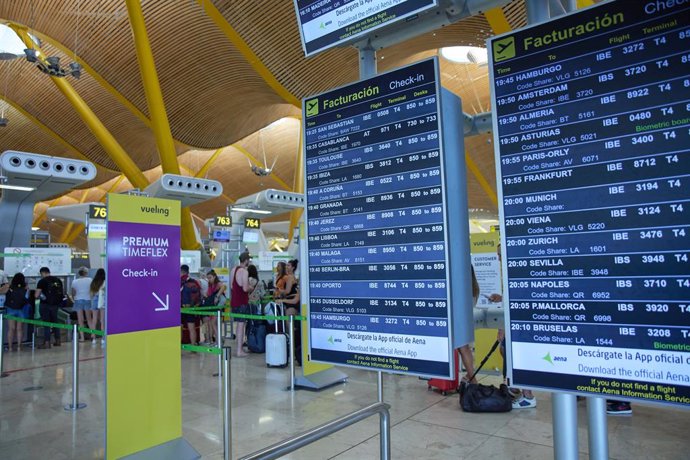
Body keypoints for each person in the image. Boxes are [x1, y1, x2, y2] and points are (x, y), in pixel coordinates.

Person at [488, 243, 536, 409]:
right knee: (507, 352)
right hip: (520, 321)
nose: (499, 258)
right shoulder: (514, 272)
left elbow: (513, 302)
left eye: (500, 254)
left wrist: (502, 327)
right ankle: (516, 386)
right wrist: (501, 298)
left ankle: (528, 395)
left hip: (517, 323)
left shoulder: (512, 273)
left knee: (515, 356)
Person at [459, 266, 480, 383]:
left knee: (463, 349)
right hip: (466, 322)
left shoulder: (462, 287)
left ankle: (472, 378)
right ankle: (470, 375)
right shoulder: (473, 287)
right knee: (465, 349)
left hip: (460, 322)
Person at [34, 267, 65, 348]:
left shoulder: (42, 281)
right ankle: (58, 340)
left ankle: (47, 343)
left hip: (45, 305)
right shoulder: (58, 280)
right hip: (56, 305)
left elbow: (37, 295)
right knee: (55, 322)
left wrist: (37, 296)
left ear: (42, 273)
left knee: (46, 323)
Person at [230, 252, 251, 357]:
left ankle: (239, 349)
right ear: (246, 260)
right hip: (242, 301)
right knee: (241, 326)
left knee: (238, 325)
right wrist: (251, 287)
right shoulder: (244, 271)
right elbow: (245, 288)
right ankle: (239, 350)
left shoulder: (233, 270)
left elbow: (232, 286)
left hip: (234, 301)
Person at [4, 273, 29, 351]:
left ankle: (10, 347)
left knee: (11, 329)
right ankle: (19, 347)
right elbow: (27, 298)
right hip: (21, 310)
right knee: (20, 329)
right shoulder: (26, 288)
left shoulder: (9, 287)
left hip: (11, 309)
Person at [203, 269, 226, 344]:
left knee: (213, 323)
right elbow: (208, 294)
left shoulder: (218, 284)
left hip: (218, 306)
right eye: (208, 278)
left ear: (214, 277)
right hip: (214, 307)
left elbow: (223, 287)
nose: (209, 279)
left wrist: (217, 296)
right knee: (213, 324)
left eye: (210, 277)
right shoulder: (210, 286)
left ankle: (218, 341)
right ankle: (218, 340)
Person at [180, 265, 202, 346]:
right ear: (188, 272)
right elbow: (199, 295)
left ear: (181, 271)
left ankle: (179, 347)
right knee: (192, 328)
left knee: (180, 328)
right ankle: (193, 347)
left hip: (181, 308)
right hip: (192, 308)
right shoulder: (194, 282)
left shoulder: (179, 281)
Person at [71, 267, 93, 342]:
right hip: (88, 299)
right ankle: (92, 335)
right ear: (86, 273)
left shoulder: (74, 281)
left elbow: (73, 293)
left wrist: (75, 297)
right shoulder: (90, 280)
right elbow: (92, 291)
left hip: (78, 300)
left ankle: (82, 338)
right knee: (89, 319)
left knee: (80, 320)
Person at [90, 268, 106, 345]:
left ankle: (93, 338)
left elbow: (91, 293)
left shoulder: (93, 282)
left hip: (94, 300)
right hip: (102, 300)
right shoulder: (104, 282)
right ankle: (103, 338)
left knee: (94, 319)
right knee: (102, 320)